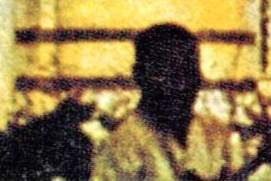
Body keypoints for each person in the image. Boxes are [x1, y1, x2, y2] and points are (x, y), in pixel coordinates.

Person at [91, 24, 234, 181]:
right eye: (164, 73)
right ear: (139, 76)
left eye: (188, 71)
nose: (180, 84)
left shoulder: (216, 135)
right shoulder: (122, 148)